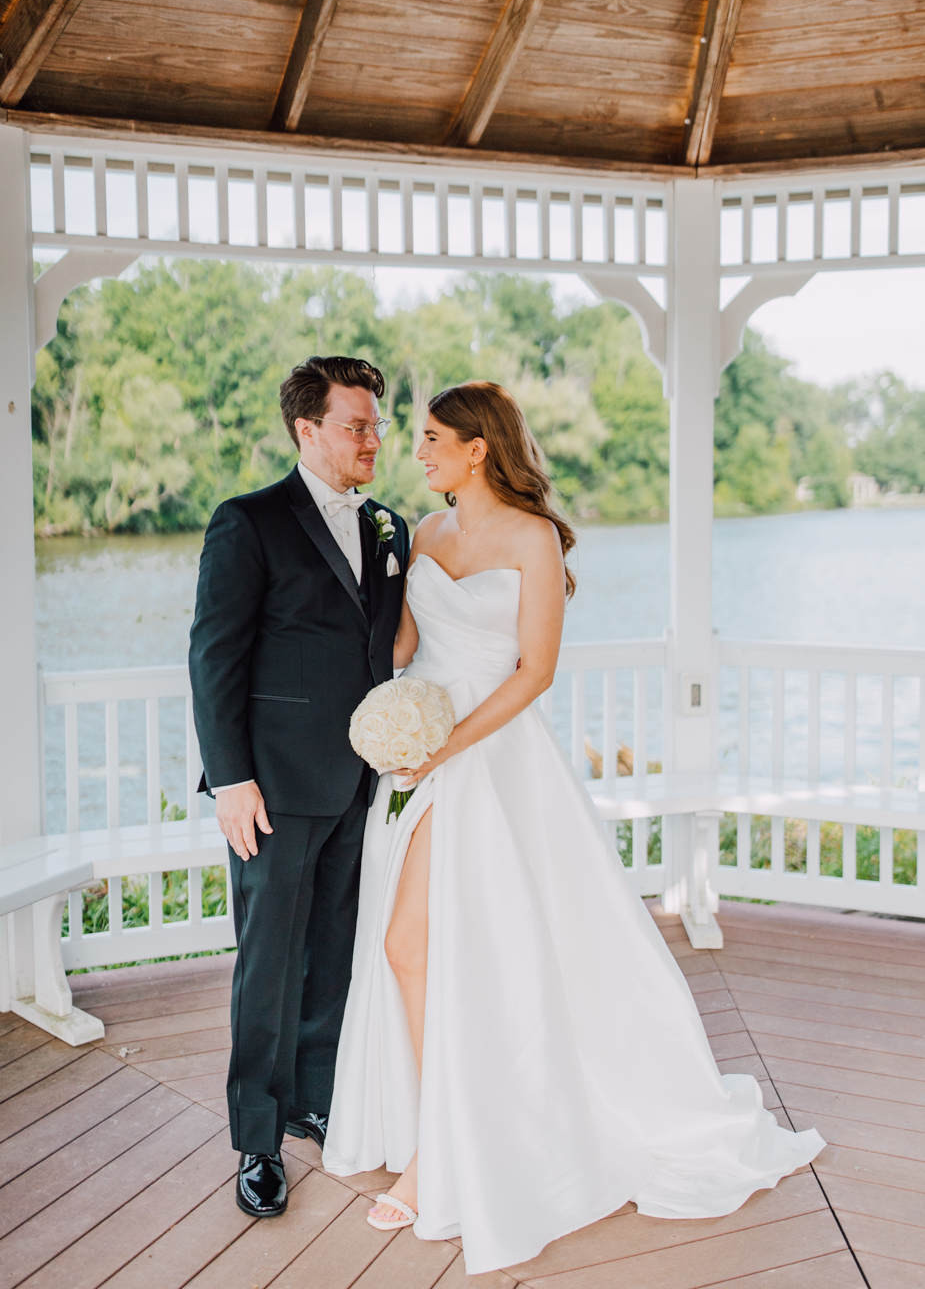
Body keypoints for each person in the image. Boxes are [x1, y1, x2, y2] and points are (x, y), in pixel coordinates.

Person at [322, 380, 824, 1275]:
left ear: (478, 447)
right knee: (407, 947)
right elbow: (399, 645)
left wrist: (444, 745)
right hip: (420, 752)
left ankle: (453, 1147)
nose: (420, 451)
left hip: (490, 756)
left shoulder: (534, 539)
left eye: (434, 437)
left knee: (460, 946)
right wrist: (385, 710)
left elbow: (534, 672)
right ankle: (440, 1128)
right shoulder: (423, 535)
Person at [189, 356, 409, 1219]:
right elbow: (215, 657)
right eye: (356, 425)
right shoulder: (247, 523)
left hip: (363, 783)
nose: (373, 440)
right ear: (305, 429)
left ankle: (315, 1100)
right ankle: (255, 1138)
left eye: (377, 424)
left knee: (337, 955)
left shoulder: (388, 525)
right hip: (273, 787)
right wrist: (230, 778)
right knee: (269, 965)